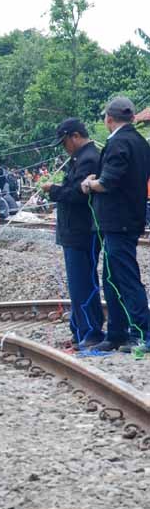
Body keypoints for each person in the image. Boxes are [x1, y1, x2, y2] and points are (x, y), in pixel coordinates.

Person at [81, 97, 150, 352]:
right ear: (132, 117)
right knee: (111, 278)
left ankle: (144, 332)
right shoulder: (140, 142)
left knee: (126, 277)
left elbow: (109, 181)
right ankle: (117, 332)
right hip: (128, 219)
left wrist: (89, 184)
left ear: (109, 119)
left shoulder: (119, 142)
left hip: (118, 221)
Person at [40, 118, 104, 349]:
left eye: (65, 142)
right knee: (78, 284)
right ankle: (80, 331)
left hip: (81, 231)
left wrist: (53, 190)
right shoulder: (81, 158)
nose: (64, 147)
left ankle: (91, 332)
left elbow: (78, 194)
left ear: (75, 136)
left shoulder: (89, 159)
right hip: (75, 231)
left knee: (83, 283)